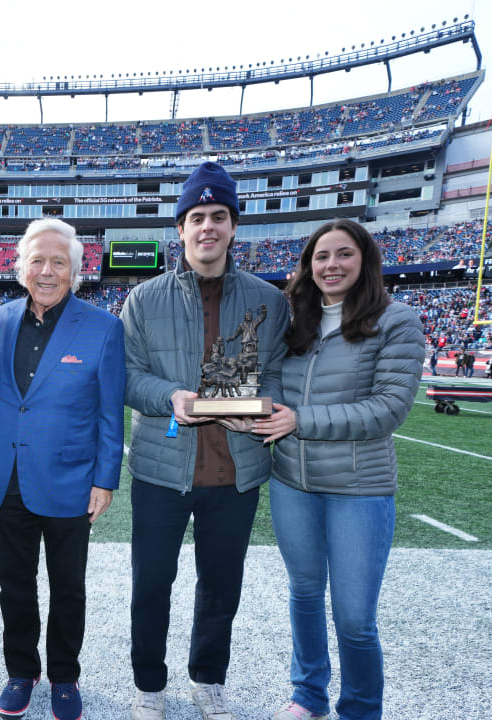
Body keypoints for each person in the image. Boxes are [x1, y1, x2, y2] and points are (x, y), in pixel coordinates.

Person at [121, 161, 289, 720]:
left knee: (221, 586)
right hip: (161, 468)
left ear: (234, 226)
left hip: (235, 469)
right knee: (152, 584)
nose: (208, 227)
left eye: (219, 216)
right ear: (181, 227)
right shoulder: (144, 299)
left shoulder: (271, 300)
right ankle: (149, 684)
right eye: (197, 217)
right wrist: (170, 394)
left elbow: (280, 374)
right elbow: (127, 375)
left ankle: (208, 678)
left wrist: (260, 411)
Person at [251, 219, 424, 720]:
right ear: (308, 265)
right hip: (292, 483)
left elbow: (388, 408)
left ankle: (361, 709)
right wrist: (258, 408)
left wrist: (298, 419)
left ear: (364, 260)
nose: (331, 265)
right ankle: (308, 694)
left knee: (353, 617)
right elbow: (275, 385)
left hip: (358, 487)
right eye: (321, 256)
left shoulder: (396, 319)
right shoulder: (294, 320)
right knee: (304, 594)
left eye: (343, 254)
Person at [0, 217, 125, 720]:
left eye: (58, 262)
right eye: (37, 260)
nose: (47, 271)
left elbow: (111, 414)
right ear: (20, 265)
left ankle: (65, 676)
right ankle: (21, 671)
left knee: (69, 588)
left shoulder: (105, 327)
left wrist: (105, 479)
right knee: (14, 587)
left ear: (76, 270)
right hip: (8, 482)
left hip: (70, 481)